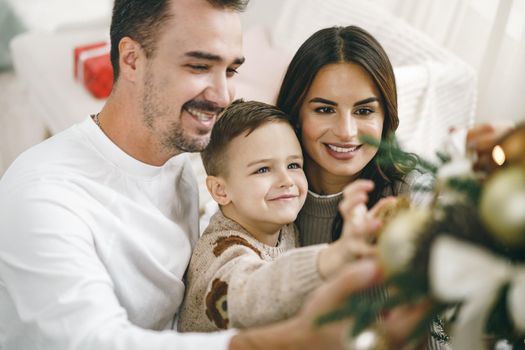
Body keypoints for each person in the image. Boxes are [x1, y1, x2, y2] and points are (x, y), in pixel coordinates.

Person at [0, 1, 393, 349]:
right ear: (132, 58)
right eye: (199, 65)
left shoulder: (181, 158)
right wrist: (290, 340)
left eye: (231, 69)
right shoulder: (44, 195)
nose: (222, 96)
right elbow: (94, 342)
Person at [275, 26, 443, 348]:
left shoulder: (414, 196)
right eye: (324, 109)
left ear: (385, 118)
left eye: (364, 111)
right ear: (296, 113)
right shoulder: (266, 193)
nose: (346, 132)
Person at [178, 99, 377, 332]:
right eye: (263, 169)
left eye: (293, 165)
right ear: (220, 191)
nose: (286, 181)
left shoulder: (282, 228)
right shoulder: (220, 252)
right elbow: (250, 296)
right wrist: (332, 256)